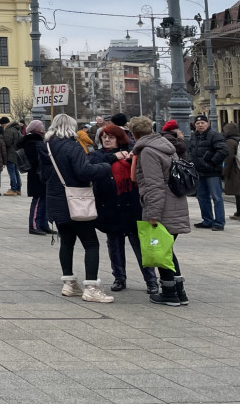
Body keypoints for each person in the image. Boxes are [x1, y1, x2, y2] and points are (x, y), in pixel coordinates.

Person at [38, 113, 120, 303]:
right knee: (91, 243)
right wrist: (105, 166)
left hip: (55, 201)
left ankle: (69, 283)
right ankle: (91, 287)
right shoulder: (72, 146)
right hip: (76, 201)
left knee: (67, 241)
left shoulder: (47, 146)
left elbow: (43, 176)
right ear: (71, 127)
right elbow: (85, 172)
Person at [90, 123, 158, 295]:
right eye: (104, 137)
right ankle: (119, 278)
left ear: (119, 139)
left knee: (140, 246)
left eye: (110, 137)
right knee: (115, 246)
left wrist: (129, 158)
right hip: (110, 207)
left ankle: (151, 280)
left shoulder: (132, 152)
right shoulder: (98, 155)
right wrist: (114, 157)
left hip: (132, 207)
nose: (106, 140)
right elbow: (91, 166)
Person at [131, 115, 191, 306]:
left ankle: (169, 293)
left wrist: (153, 215)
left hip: (163, 206)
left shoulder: (148, 151)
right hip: (175, 202)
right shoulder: (166, 146)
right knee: (168, 250)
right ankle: (179, 292)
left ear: (134, 134)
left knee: (161, 252)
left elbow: (154, 185)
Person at [188, 114, 228, 231]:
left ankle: (219, 222)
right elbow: (190, 151)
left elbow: (223, 150)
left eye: (202, 123)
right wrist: (191, 162)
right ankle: (207, 220)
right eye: (198, 123)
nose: (200, 125)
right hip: (199, 172)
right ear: (195, 125)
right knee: (202, 197)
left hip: (212, 172)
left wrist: (211, 163)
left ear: (208, 124)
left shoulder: (215, 135)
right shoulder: (194, 137)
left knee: (216, 197)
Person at [22, 120, 49, 234]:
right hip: (36, 175)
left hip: (41, 174)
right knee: (38, 200)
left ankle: (43, 224)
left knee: (45, 200)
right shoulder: (31, 141)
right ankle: (34, 225)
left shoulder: (39, 140)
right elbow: (35, 159)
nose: (43, 129)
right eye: (41, 127)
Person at [1, 116, 23, 195]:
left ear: (4, 124)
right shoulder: (16, 129)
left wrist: (2, 139)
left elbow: (7, 142)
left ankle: (13, 189)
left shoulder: (9, 130)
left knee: (12, 172)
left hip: (10, 153)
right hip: (16, 152)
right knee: (16, 172)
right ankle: (18, 189)